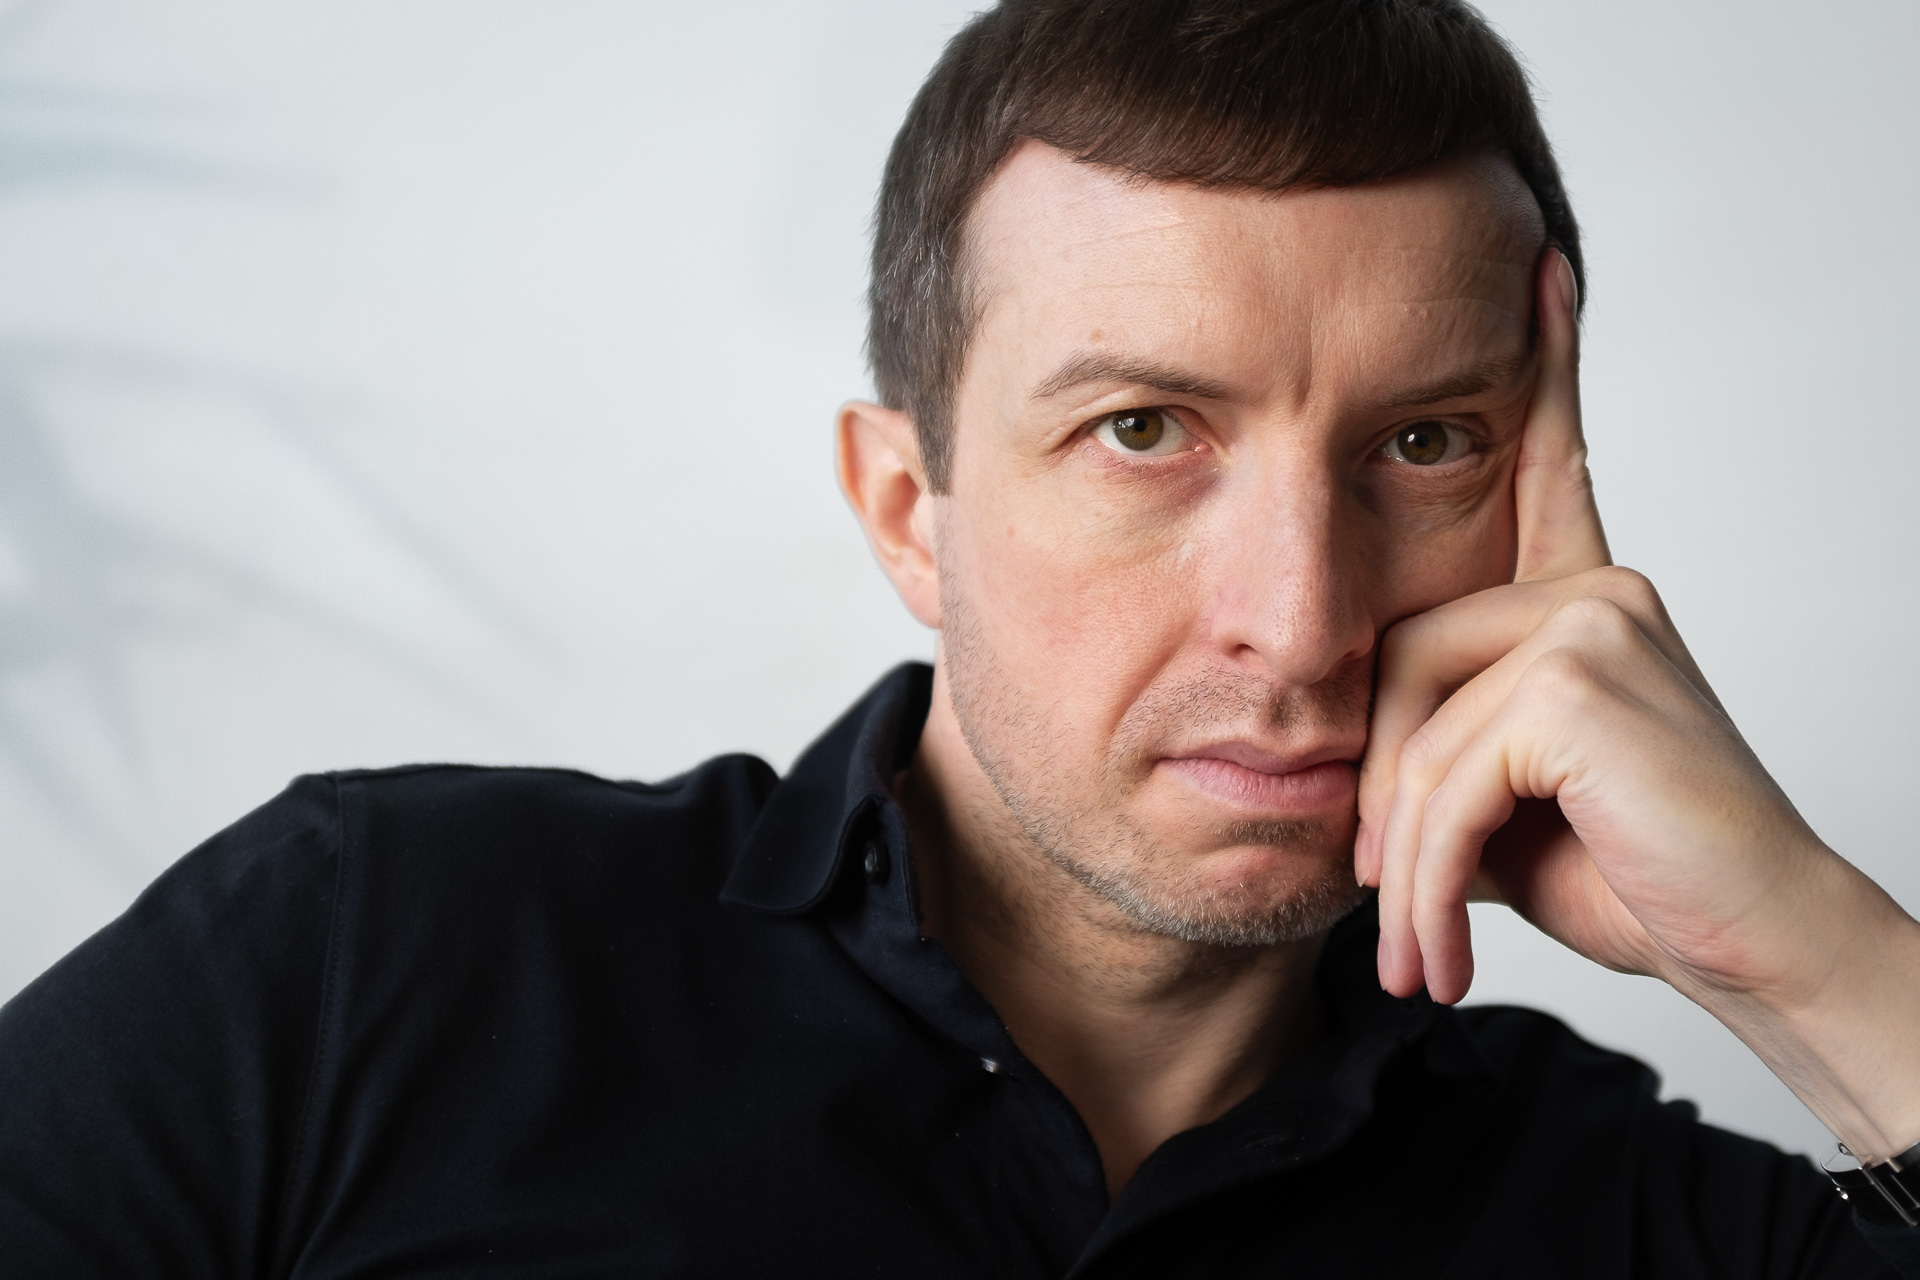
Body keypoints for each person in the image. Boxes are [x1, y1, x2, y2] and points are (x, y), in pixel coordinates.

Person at [2, 0, 1917, 1275]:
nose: (1305, 618)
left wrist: (1819, 955)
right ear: (910, 510)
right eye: (1145, 430)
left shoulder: (1622, 1214)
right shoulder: (369, 957)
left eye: (1425, 444)